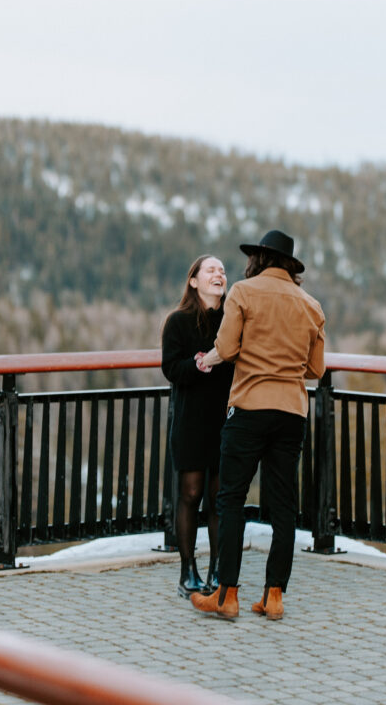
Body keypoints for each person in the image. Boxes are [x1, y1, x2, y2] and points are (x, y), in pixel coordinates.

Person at [190, 229, 325, 621]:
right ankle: (274, 596)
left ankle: (227, 594)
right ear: (290, 266)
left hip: (249, 408)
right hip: (291, 414)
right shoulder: (312, 306)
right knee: (283, 507)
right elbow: (317, 369)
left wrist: (208, 361)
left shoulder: (244, 293)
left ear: (259, 260)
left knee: (230, 499)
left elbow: (228, 348)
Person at [161, 255, 234, 598]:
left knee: (220, 498)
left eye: (222, 270)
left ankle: (218, 569)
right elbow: (171, 369)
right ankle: (187, 570)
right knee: (189, 495)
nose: (219, 274)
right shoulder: (178, 322)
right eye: (211, 270)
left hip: (227, 420)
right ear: (194, 281)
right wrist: (198, 365)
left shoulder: (234, 321)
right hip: (190, 420)